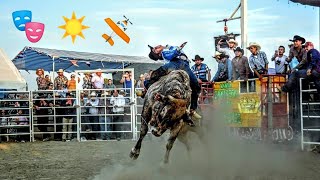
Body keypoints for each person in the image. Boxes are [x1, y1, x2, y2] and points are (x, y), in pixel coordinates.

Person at [144, 43, 201, 126]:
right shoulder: (164, 53)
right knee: (195, 85)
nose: (157, 47)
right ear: (158, 54)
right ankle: (148, 88)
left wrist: (177, 49)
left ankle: (192, 109)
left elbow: (172, 51)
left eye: (155, 48)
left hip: (184, 64)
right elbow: (171, 55)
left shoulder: (167, 48)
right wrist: (178, 49)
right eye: (155, 49)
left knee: (196, 85)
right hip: (177, 64)